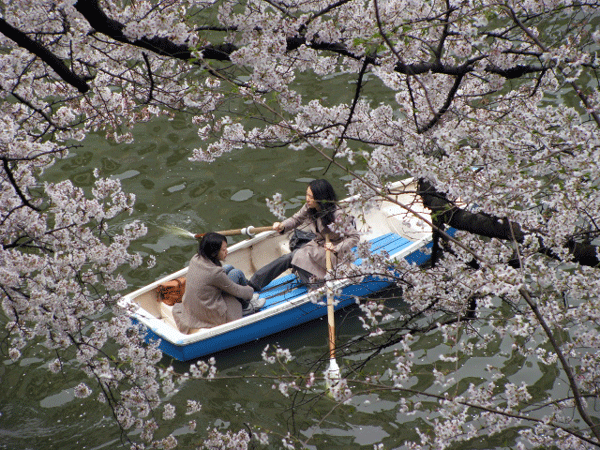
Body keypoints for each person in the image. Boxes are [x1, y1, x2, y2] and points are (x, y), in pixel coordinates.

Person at [249, 179, 360, 291]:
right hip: (318, 245)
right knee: (291, 257)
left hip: (334, 253)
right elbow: (296, 219)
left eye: (311, 197)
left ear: (321, 198)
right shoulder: (310, 207)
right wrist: (282, 225)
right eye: (307, 195)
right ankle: (253, 283)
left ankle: (316, 284)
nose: (307, 199)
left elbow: (354, 236)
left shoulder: (338, 215)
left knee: (294, 256)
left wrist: (336, 248)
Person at [172, 232, 265, 333]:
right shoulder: (215, 273)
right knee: (236, 273)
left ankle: (246, 300)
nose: (227, 251)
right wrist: (250, 291)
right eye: (224, 250)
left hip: (196, 307)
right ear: (213, 253)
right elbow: (236, 290)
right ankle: (247, 305)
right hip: (209, 313)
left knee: (228, 268)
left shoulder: (195, 258)